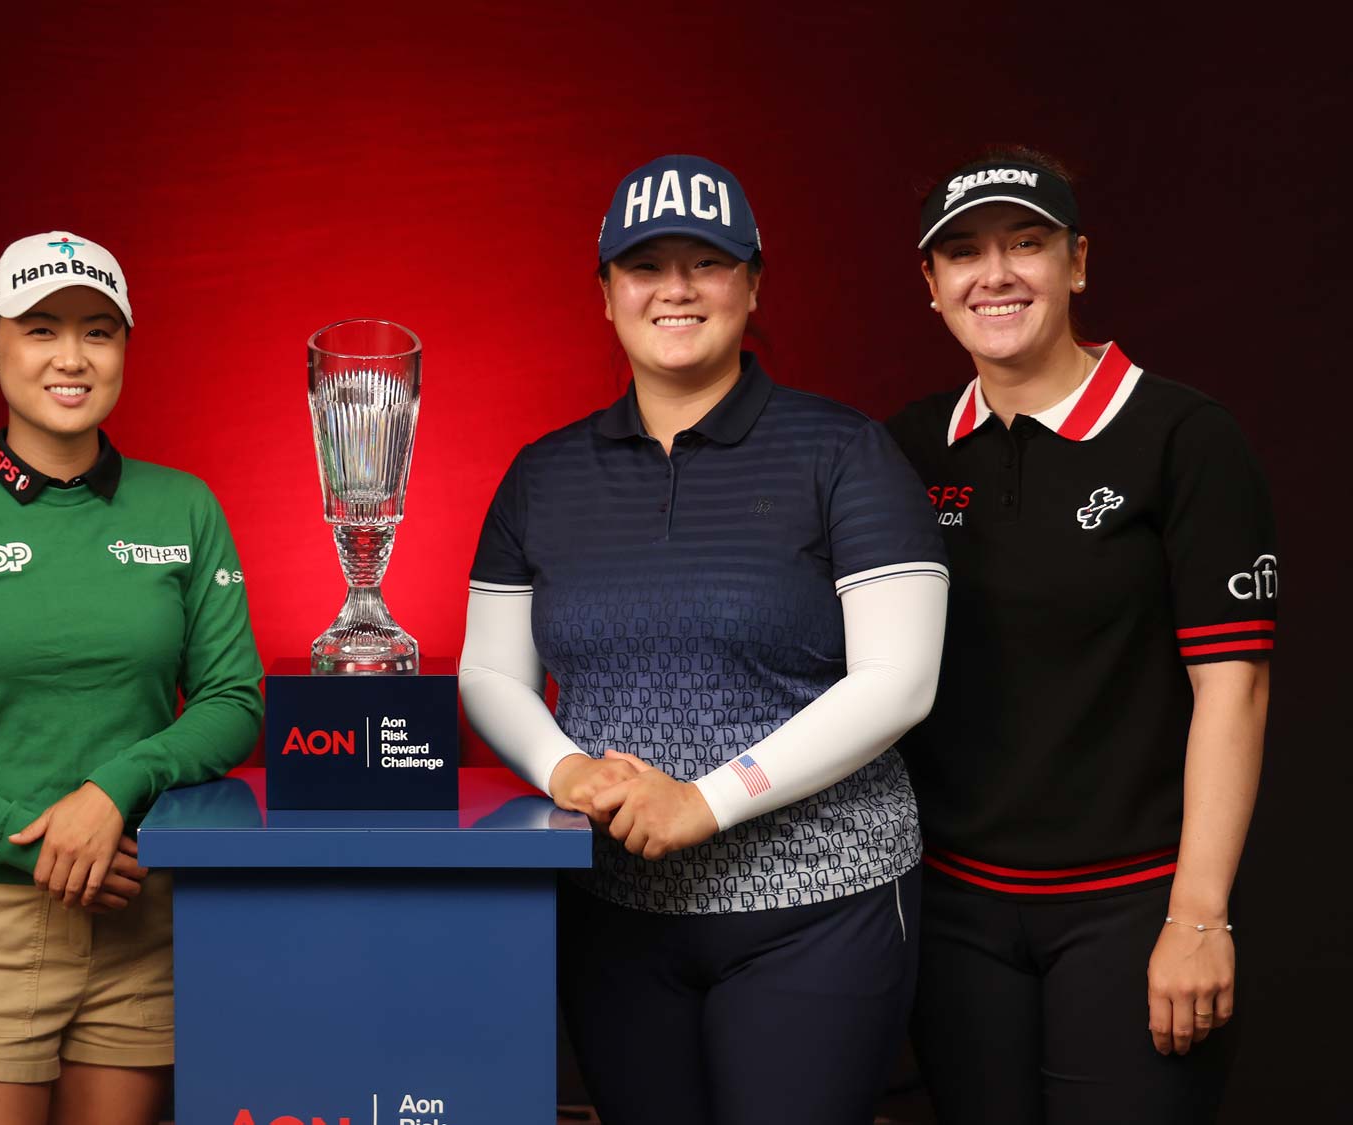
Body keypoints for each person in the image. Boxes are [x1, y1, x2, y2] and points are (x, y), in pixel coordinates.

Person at [459, 154, 950, 1124]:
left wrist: (707, 801)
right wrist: (563, 772)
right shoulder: (542, 474)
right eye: (645, 266)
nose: (675, 289)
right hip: (615, 913)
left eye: (707, 262)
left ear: (751, 284)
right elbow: (487, 670)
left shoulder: (843, 451)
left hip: (818, 911)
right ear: (605, 294)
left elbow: (899, 682)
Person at [0, 231, 263, 1125]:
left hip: (138, 911)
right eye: (41, 328)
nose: (71, 356)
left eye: (98, 330)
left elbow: (233, 701)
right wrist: (26, 842)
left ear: (123, 350)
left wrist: (117, 787)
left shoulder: (185, 507)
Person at [887, 148, 1274, 1124]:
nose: (995, 274)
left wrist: (1197, 915)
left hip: (1133, 907)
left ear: (1077, 263)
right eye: (962, 254)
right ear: (930, 286)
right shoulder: (901, 448)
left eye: (1026, 243)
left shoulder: (1182, 436)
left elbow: (1234, 689)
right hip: (954, 912)